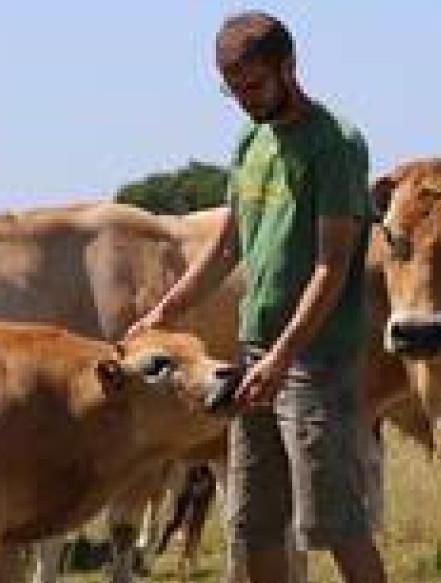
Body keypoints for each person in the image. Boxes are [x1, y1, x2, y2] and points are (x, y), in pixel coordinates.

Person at [125, 10, 388, 583]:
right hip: (254, 355)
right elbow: (228, 243)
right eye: (232, 88)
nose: (243, 99)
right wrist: (171, 305)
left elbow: (333, 265)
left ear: (288, 67)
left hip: (317, 361)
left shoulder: (336, 144)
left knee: (335, 523)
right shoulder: (250, 139)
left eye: (253, 85)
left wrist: (283, 357)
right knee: (253, 523)